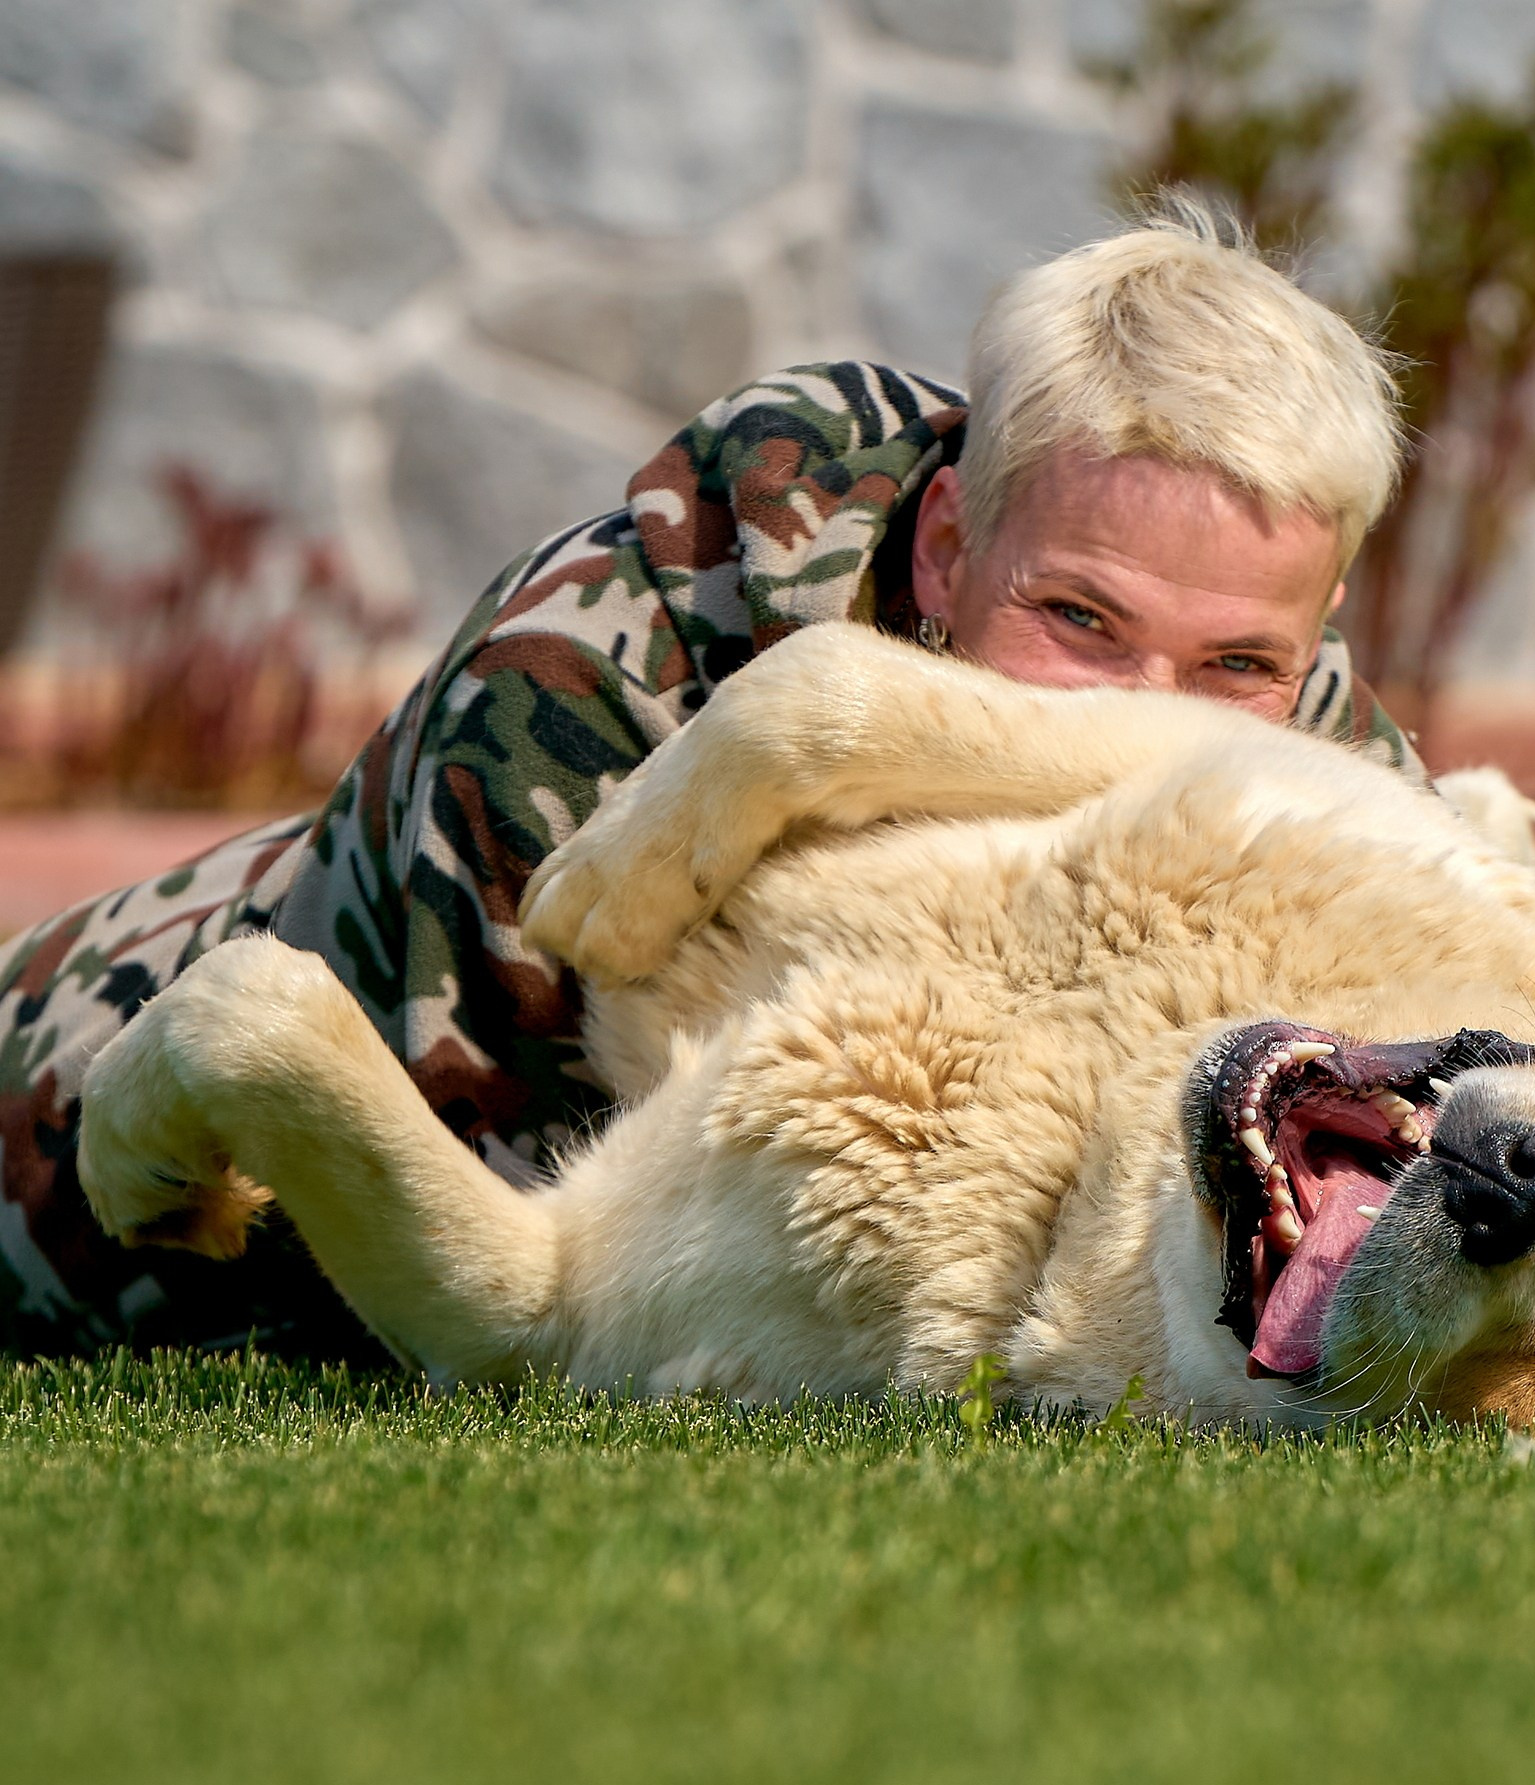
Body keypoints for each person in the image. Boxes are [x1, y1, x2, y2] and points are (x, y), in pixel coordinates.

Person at [0, 203, 1423, 1358]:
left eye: (1239, 661)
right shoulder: (585, 698)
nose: (1150, 718)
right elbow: (505, 1263)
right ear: (946, 549)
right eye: (1080, 620)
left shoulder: (1318, 752)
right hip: (96, 1110)